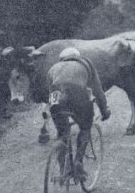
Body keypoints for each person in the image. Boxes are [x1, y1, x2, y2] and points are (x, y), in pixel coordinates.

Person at [47, 47, 111, 180]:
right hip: (77, 94)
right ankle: (78, 162)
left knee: (62, 134)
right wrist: (104, 110)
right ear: (77, 56)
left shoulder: (53, 68)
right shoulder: (85, 63)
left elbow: (51, 94)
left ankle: (63, 170)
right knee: (85, 127)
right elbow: (98, 90)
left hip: (56, 97)